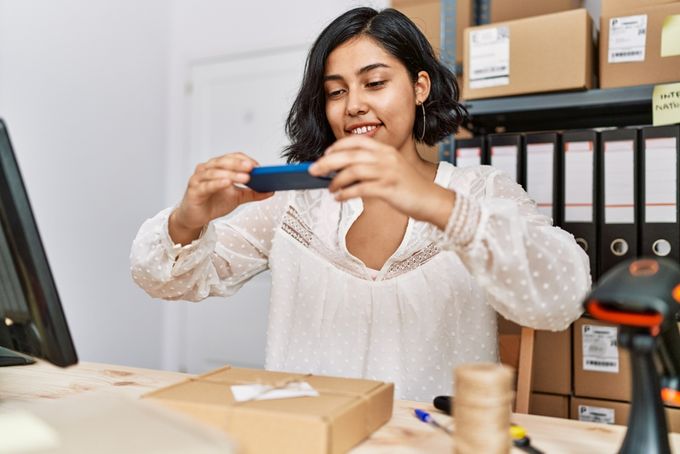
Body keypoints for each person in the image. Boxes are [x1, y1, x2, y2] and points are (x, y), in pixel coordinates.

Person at [130, 7, 590, 401]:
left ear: (420, 87)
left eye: (374, 83)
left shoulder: (480, 192)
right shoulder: (296, 208)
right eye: (336, 91)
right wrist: (189, 219)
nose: (353, 106)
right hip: (312, 439)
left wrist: (436, 204)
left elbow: (563, 296)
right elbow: (165, 282)